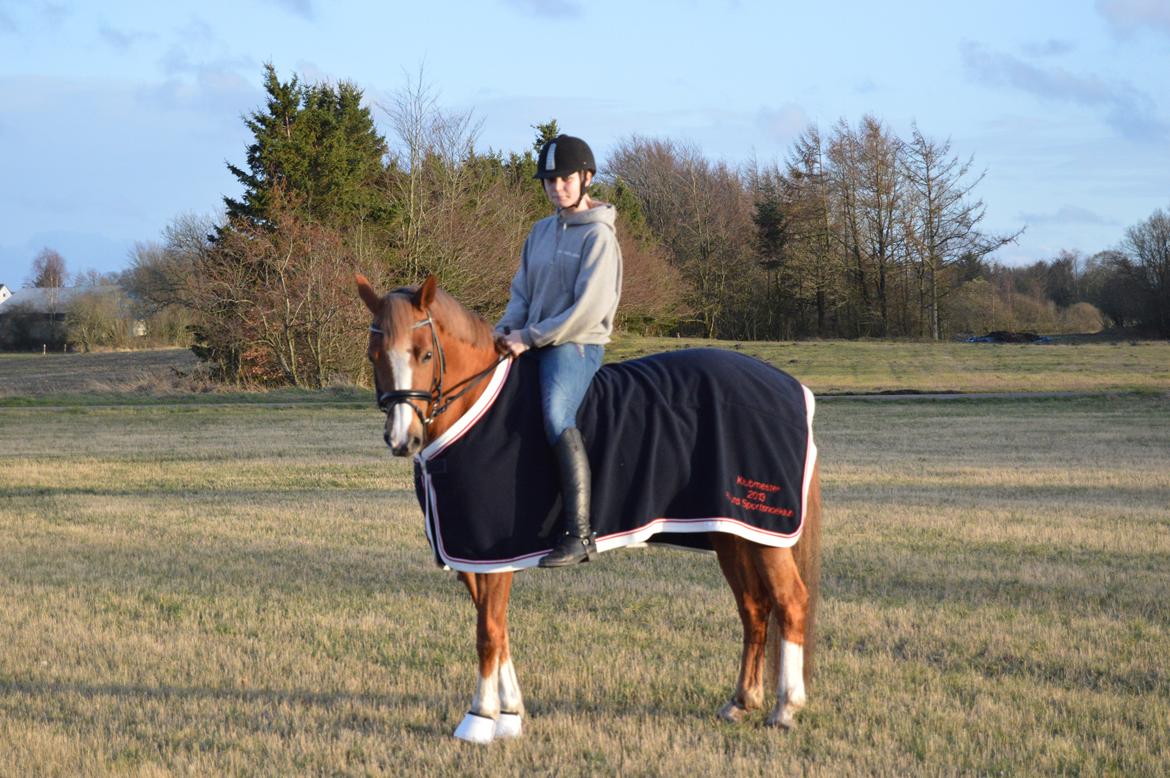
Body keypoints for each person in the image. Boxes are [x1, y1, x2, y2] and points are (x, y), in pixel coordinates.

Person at [494, 134, 623, 567]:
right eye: (549, 180)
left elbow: (586, 311)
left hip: (577, 345)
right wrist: (503, 331)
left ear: (586, 178)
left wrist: (528, 338)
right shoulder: (540, 232)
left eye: (565, 178)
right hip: (532, 338)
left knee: (554, 414)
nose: (556, 187)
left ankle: (580, 534)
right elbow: (522, 294)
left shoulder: (599, 238)